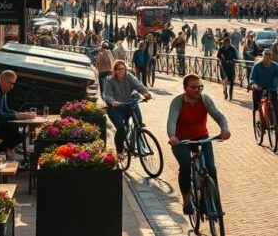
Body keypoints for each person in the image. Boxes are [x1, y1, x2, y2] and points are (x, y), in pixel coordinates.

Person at [166, 74, 231, 215]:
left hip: (202, 137)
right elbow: (171, 121)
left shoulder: (205, 99)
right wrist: (172, 136)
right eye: (194, 87)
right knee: (185, 166)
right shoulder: (177, 102)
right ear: (185, 88)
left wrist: (224, 129)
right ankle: (187, 201)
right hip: (182, 141)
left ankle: (215, 205)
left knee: (211, 169)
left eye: (200, 87)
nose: (198, 90)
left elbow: (218, 115)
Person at [102, 61, 152, 155]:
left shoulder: (129, 76)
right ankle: (119, 152)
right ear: (115, 70)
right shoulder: (110, 80)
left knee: (139, 124)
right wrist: (113, 101)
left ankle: (137, 145)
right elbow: (107, 95)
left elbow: (138, 85)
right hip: (115, 109)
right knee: (121, 129)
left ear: (125, 69)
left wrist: (146, 93)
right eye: (118, 69)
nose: (121, 71)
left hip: (128, 105)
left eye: (123, 68)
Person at [249, 49, 278, 136]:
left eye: (270, 56)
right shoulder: (257, 66)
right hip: (259, 89)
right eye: (266, 56)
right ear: (263, 57)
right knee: (257, 106)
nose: (268, 59)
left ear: (272, 57)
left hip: (271, 89)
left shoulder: (275, 66)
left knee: (275, 106)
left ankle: (276, 126)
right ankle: (259, 125)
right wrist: (254, 84)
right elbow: (252, 78)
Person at [217, 36, 238, 101]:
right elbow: (218, 56)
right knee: (224, 81)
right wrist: (220, 59)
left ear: (228, 43)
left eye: (225, 42)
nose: (223, 44)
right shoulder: (221, 49)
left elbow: (236, 57)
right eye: (223, 42)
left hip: (231, 66)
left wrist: (234, 59)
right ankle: (225, 90)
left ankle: (230, 96)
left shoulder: (232, 49)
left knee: (231, 82)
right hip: (223, 67)